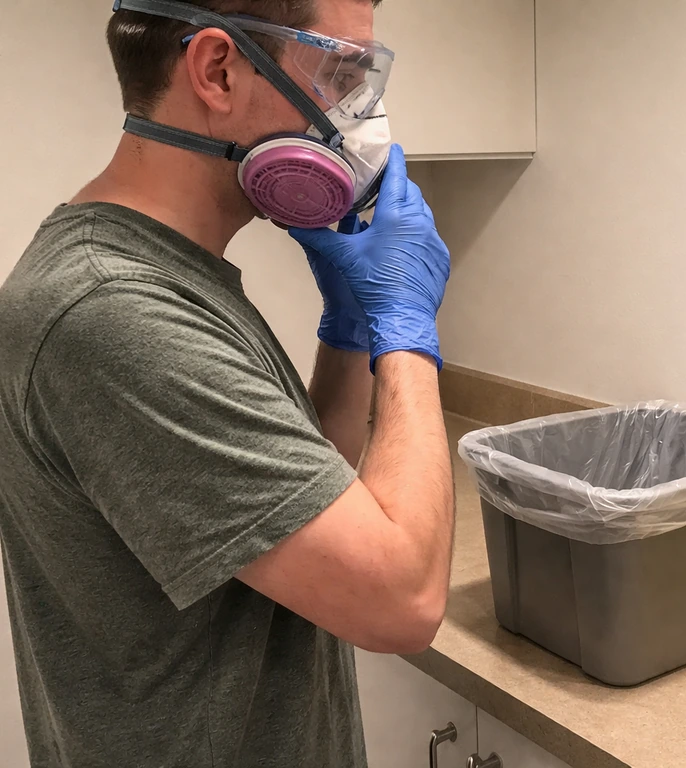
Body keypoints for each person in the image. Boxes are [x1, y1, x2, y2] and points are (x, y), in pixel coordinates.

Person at [0, 0, 455, 765]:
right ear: (218, 70)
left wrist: (349, 330)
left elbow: (320, 503)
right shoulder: (111, 312)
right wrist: (409, 334)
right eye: (341, 71)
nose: (362, 112)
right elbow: (403, 601)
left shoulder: (166, 276)